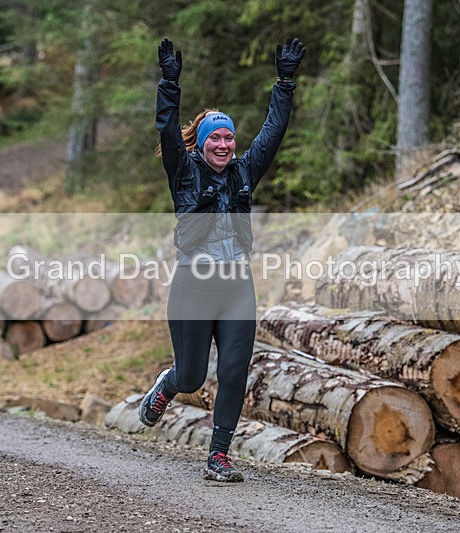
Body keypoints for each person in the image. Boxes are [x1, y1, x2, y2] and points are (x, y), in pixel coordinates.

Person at [139, 36, 306, 482]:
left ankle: (218, 456)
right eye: (217, 136)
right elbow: (167, 127)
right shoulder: (184, 169)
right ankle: (168, 383)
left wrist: (284, 82)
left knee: (233, 372)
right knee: (193, 377)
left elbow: (274, 130)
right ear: (204, 142)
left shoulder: (245, 172)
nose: (225, 143)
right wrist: (169, 83)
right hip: (193, 286)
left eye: (230, 136)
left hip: (236, 287)